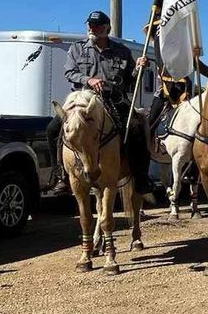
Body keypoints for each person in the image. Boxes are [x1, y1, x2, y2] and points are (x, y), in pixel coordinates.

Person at [47, 11, 153, 196]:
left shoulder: (122, 51)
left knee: (137, 128)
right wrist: (89, 80)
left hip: (112, 99)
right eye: (90, 25)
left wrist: (139, 69)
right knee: (53, 130)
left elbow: (130, 81)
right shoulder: (77, 48)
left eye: (97, 26)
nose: (92, 29)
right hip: (82, 99)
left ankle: (141, 177)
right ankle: (61, 175)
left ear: (107, 28)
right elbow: (70, 73)